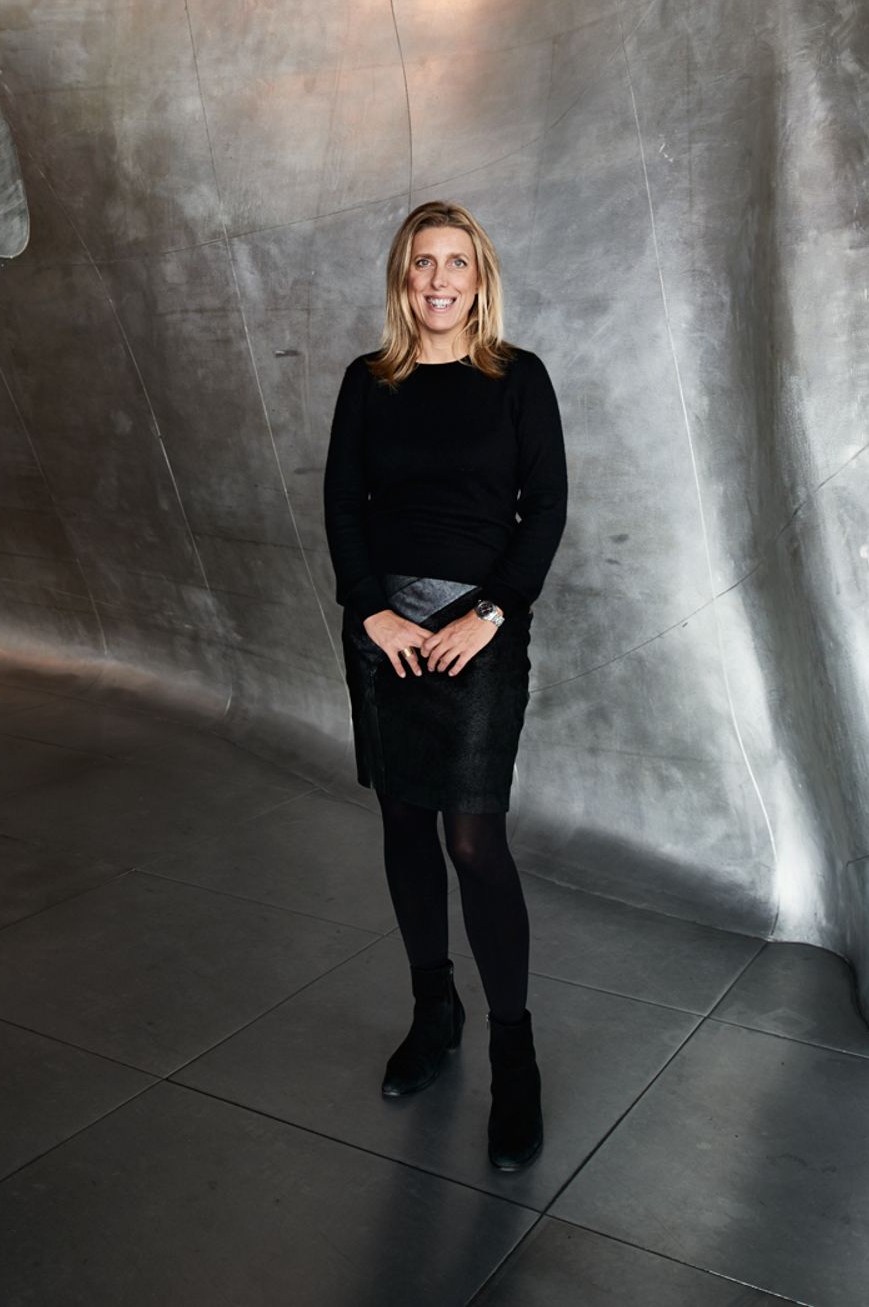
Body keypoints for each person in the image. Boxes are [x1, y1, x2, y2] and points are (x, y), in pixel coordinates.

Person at [322, 200, 568, 1172]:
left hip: (479, 632)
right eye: (423, 263)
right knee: (404, 824)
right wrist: (369, 611)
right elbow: (343, 506)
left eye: (455, 263)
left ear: (479, 277)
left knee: (473, 840)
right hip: (386, 634)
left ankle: (516, 1058)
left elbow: (545, 509)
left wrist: (492, 612)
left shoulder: (518, 379)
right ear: (403, 277)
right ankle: (436, 1011)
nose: (438, 279)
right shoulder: (368, 381)